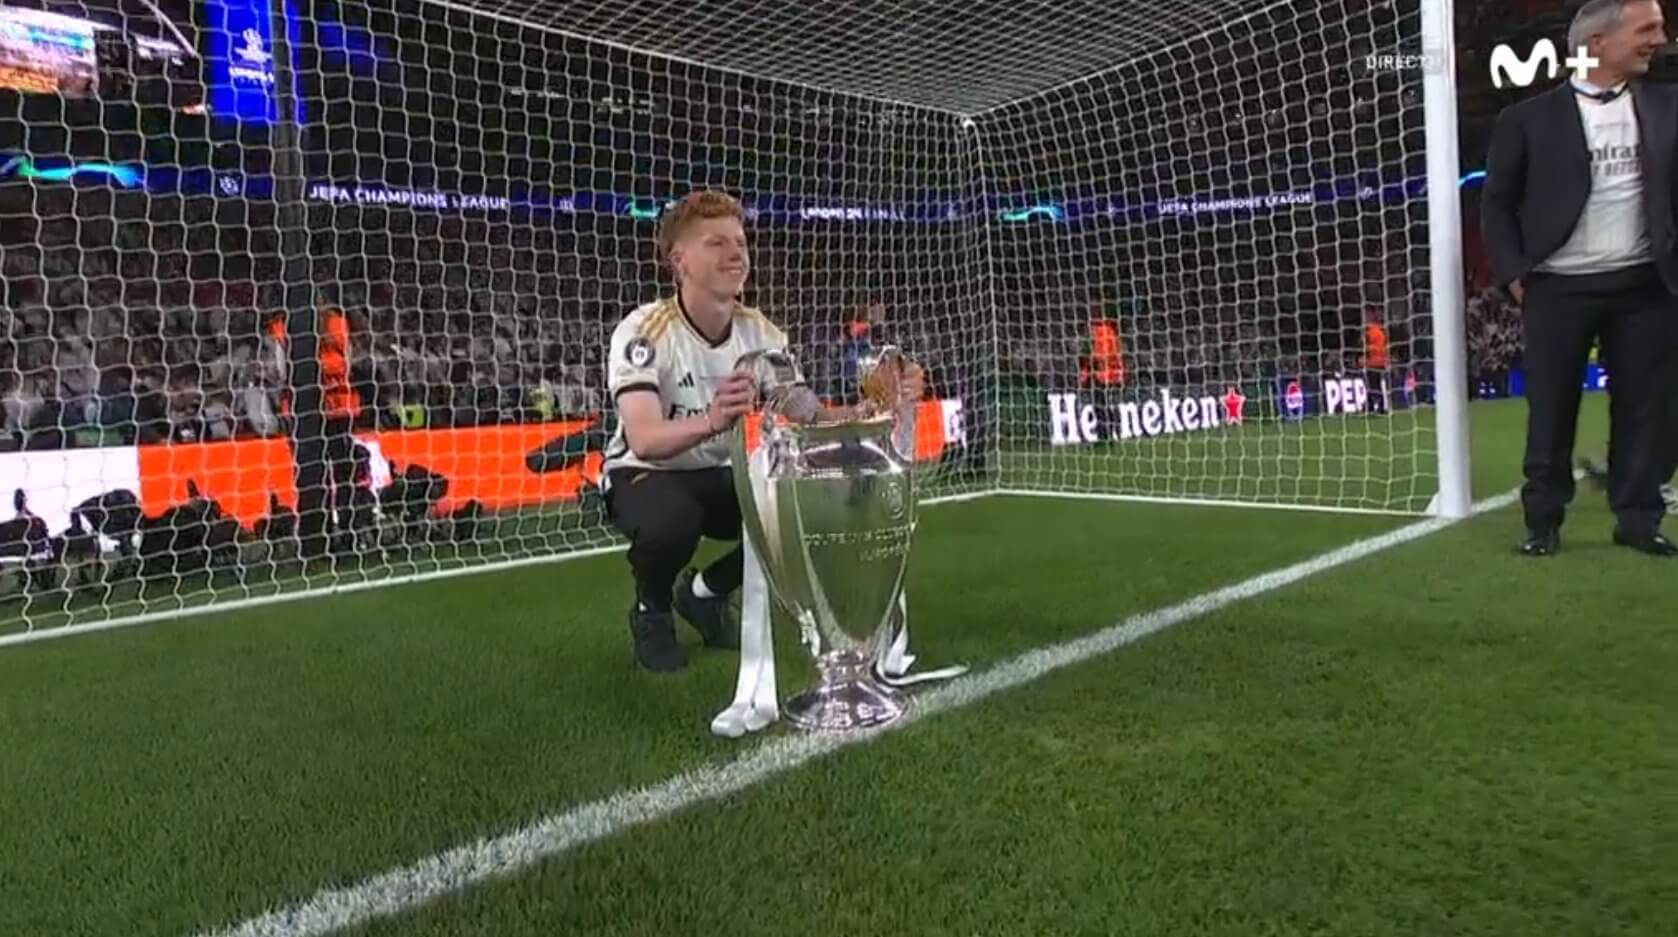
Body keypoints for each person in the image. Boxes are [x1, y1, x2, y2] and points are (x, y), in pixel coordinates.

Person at [602, 190, 922, 672]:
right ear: (679, 260)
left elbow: (810, 417)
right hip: (646, 473)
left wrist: (879, 403)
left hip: (722, 473)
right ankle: (653, 606)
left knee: (806, 502)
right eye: (716, 242)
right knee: (672, 522)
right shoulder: (644, 331)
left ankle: (703, 592)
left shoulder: (762, 334)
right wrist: (712, 420)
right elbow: (644, 439)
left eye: (740, 241)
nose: (736, 252)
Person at [1480, 0, 1678, 558]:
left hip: (1644, 283)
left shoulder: (1668, 105)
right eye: (1646, 28)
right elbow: (1496, 204)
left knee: (1646, 406)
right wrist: (1516, 274)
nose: (1658, 39)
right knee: (1551, 407)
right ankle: (1542, 521)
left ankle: (1638, 520)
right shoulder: (1527, 119)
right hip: (1558, 286)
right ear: (1597, 43)